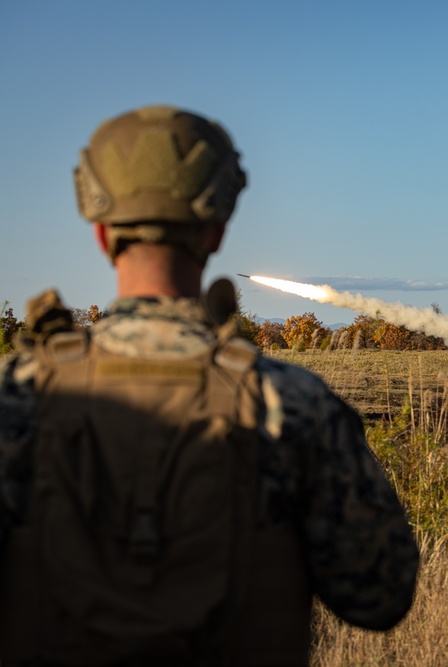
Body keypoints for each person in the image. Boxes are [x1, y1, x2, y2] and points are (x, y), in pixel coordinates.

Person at [0, 105, 419, 665]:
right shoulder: (291, 403)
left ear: (102, 232)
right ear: (217, 229)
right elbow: (381, 595)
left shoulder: (18, 397)